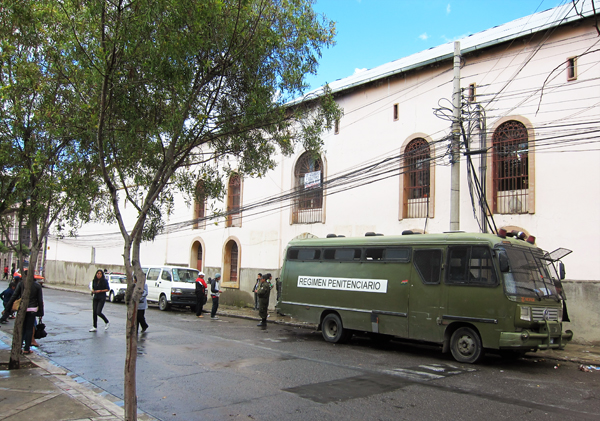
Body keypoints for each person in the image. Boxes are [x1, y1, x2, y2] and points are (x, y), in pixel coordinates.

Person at [4, 273, 44, 354]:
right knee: (29, 329)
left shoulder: (21, 284)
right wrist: (41, 313)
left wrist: (8, 308)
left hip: (22, 308)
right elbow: (40, 300)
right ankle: (27, 348)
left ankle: (19, 347)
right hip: (32, 309)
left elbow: (14, 296)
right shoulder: (37, 286)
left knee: (21, 328)